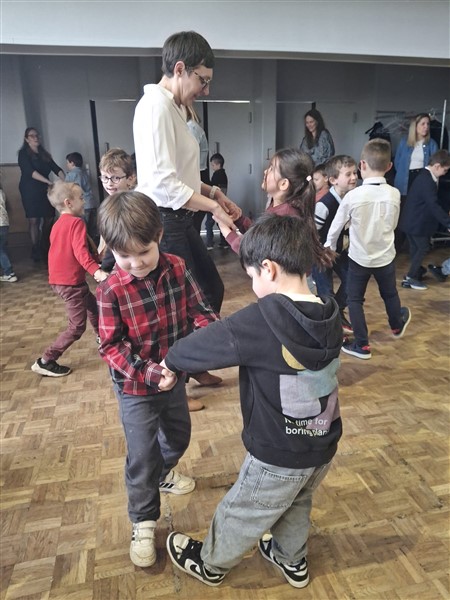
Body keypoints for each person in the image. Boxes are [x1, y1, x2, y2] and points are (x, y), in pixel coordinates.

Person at [162, 214, 342, 589]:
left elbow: (203, 345)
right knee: (297, 501)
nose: (253, 285)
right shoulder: (329, 311)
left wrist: (171, 360)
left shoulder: (262, 318)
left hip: (277, 452)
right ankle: (291, 559)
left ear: (269, 268)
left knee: (244, 508)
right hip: (322, 444)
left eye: (252, 277)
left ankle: (211, 563)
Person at [95, 190, 219, 568]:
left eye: (144, 252)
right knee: (142, 456)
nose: (135, 263)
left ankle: (163, 473)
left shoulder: (177, 267)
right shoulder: (110, 289)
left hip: (174, 377)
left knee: (178, 437)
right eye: (124, 256)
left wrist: (213, 339)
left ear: (159, 235)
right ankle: (143, 519)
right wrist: (150, 372)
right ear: (111, 249)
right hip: (135, 387)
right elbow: (110, 347)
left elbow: (201, 311)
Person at [132, 30, 241, 316]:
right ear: (180, 69)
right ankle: (187, 347)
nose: (205, 90)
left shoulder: (175, 108)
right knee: (191, 304)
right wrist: (214, 207)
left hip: (181, 219)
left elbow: (181, 175)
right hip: (166, 219)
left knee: (210, 291)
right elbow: (164, 184)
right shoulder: (156, 108)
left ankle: (196, 344)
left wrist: (214, 193)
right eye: (203, 80)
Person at [325, 139, 411, 360]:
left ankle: (362, 345)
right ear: (389, 166)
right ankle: (396, 325)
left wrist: (329, 247)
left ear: (362, 165)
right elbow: (393, 225)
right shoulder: (394, 193)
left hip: (359, 258)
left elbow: (336, 226)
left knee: (355, 300)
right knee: (389, 293)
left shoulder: (353, 196)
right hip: (385, 257)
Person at [31, 181, 108, 377]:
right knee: (77, 327)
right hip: (71, 283)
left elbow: (70, 251)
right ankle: (46, 360)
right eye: (81, 198)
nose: (84, 201)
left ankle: (103, 337)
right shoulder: (76, 223)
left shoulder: (58, 224)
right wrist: (97, 271)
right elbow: (79, 252)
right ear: (68, 202)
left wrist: (96, 258)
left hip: (63, 281)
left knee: (93, 307)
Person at [217, 148, 316, 256]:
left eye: (271, 168)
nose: (265, 171)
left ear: (283, 184)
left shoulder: (285, 218)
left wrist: (227, 233)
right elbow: (262, 235)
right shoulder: (279, 207)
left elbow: (256, 251)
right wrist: (240, 220)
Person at [312, 155, 358, 334]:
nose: (354, 177)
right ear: (333, 180)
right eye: (348, 174)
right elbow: (311, 233)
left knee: (352, 280)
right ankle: (331, 328)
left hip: (341, 252)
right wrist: (318, 253)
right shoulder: (324, 205)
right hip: (321, 255)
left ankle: (337, 313)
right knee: (326, 291)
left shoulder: (353, 199)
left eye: (355, 173)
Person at [400, 150, 450, 291]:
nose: (445, 173)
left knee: (416, 248)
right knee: (422, 248)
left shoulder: (424, 176)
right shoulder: (427, 181)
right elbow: (433, 205)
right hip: (417, 224)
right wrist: (448, 223)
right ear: (437, 166)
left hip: (410, 222)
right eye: (445, 170)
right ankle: (411, 277)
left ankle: (417, 271)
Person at [18, 127, 65, 263]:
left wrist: (65, 180)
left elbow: (56, 168)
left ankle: (45, 244)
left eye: (37, 135)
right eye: (32, 136)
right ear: (26, 139)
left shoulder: (44, 154)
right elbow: (29, 171)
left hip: (45, 189)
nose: (36, 137)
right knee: (34, 220)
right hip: (30, 189)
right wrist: (48, 182)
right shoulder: (23, 154)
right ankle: (36, 248)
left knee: (49, 217)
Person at [394, 113, 439, 250]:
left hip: (421, 180)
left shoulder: (431, 144)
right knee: (402, 212)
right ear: (415, 126)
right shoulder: (405, 142)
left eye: (428, 124)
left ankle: (413, 246)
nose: (426, 127)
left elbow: (435, 166)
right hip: (405, 180)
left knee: (417, 213)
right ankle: (397, 245)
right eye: (423, 124)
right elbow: (397, 162)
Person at [97, 148, 136, 273]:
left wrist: (105, 268)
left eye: (115, 178)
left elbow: (117, 240)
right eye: (105, 177)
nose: (109, 183)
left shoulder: (130, 205)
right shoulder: (109, 202)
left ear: (131, 178)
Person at [186, 106, 210, 234]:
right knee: (193, 225)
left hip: (197, 175)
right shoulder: (192, 127)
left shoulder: (191, 128)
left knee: (192, 224)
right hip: (198, 174)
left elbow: (188, 157)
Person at [65, 152, 98, 241]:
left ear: (72, 163)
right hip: (92, 203)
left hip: (82, 205)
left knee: (83, 231)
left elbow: (70, 190)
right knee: (92, 230)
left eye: (67, 163)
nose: (67, 165)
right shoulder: (85, 173)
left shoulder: (71, 174)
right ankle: (94, 247)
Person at [206, 153, 228, 249]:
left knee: (209, 223)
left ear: (218, 164)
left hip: (214, 203)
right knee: (221, 223)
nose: (212, 167)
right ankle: (224, 242)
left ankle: (209, 243)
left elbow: (212, 189)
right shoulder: (224, 174)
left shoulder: (216, 175)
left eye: (213, 165)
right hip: (222, 203)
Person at [0, 187, 18, 282]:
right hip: (4, 223)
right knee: (2, 248)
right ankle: (9, 273)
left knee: (1, 250)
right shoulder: (1, 192)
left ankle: (9, 273)